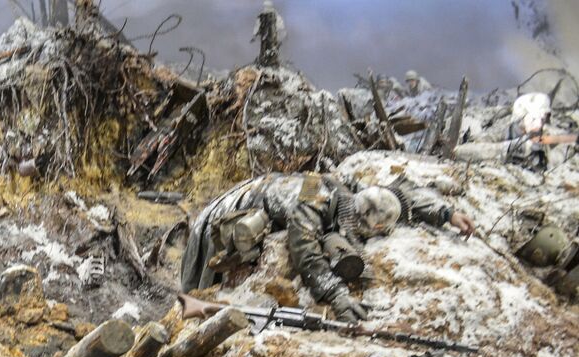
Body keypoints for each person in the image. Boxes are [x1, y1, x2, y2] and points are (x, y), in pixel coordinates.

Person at [180, 173, 476, 323]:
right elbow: (305, 252)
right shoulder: (312, 207)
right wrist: (338, 297)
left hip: (264, 188)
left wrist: (447, 214)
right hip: (229, 209)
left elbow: (403, 194)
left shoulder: (352, 193)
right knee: (205, 282)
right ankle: (186, 310)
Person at [455, 93, 575, 172]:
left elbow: (562, 151)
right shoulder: (510, 131)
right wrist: (511, 147)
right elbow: (477, 147)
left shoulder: (547, 135)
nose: (540, 124)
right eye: (535, 118)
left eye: (543, 119)